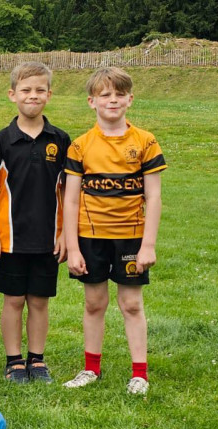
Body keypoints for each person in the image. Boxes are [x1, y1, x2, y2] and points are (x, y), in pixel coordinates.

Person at [62, 67, 165, 395]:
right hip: (90, 237)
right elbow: (70, 201)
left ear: (130, 100)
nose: (113, 100)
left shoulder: (145, 142)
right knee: (94, 303)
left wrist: (148, 245)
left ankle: (140, 374)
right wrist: (73, 248)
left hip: (131, 237)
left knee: (132, 304)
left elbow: (154, 196)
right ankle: (91, 369)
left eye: (119, 94)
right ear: (92, 101)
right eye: (105, 95)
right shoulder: (80, 146)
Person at [0, 62, 71, 383]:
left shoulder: (61, 140)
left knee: (39, 300)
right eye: (25, 90)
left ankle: (37, 359)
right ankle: (14, 361)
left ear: (49, 94)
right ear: (12, 95)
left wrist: (65, 234)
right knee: (14, 299)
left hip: (48, 237)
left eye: (39, 90)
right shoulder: (1, 142)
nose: (32, 96)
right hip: (11, 238)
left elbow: (68, 192)